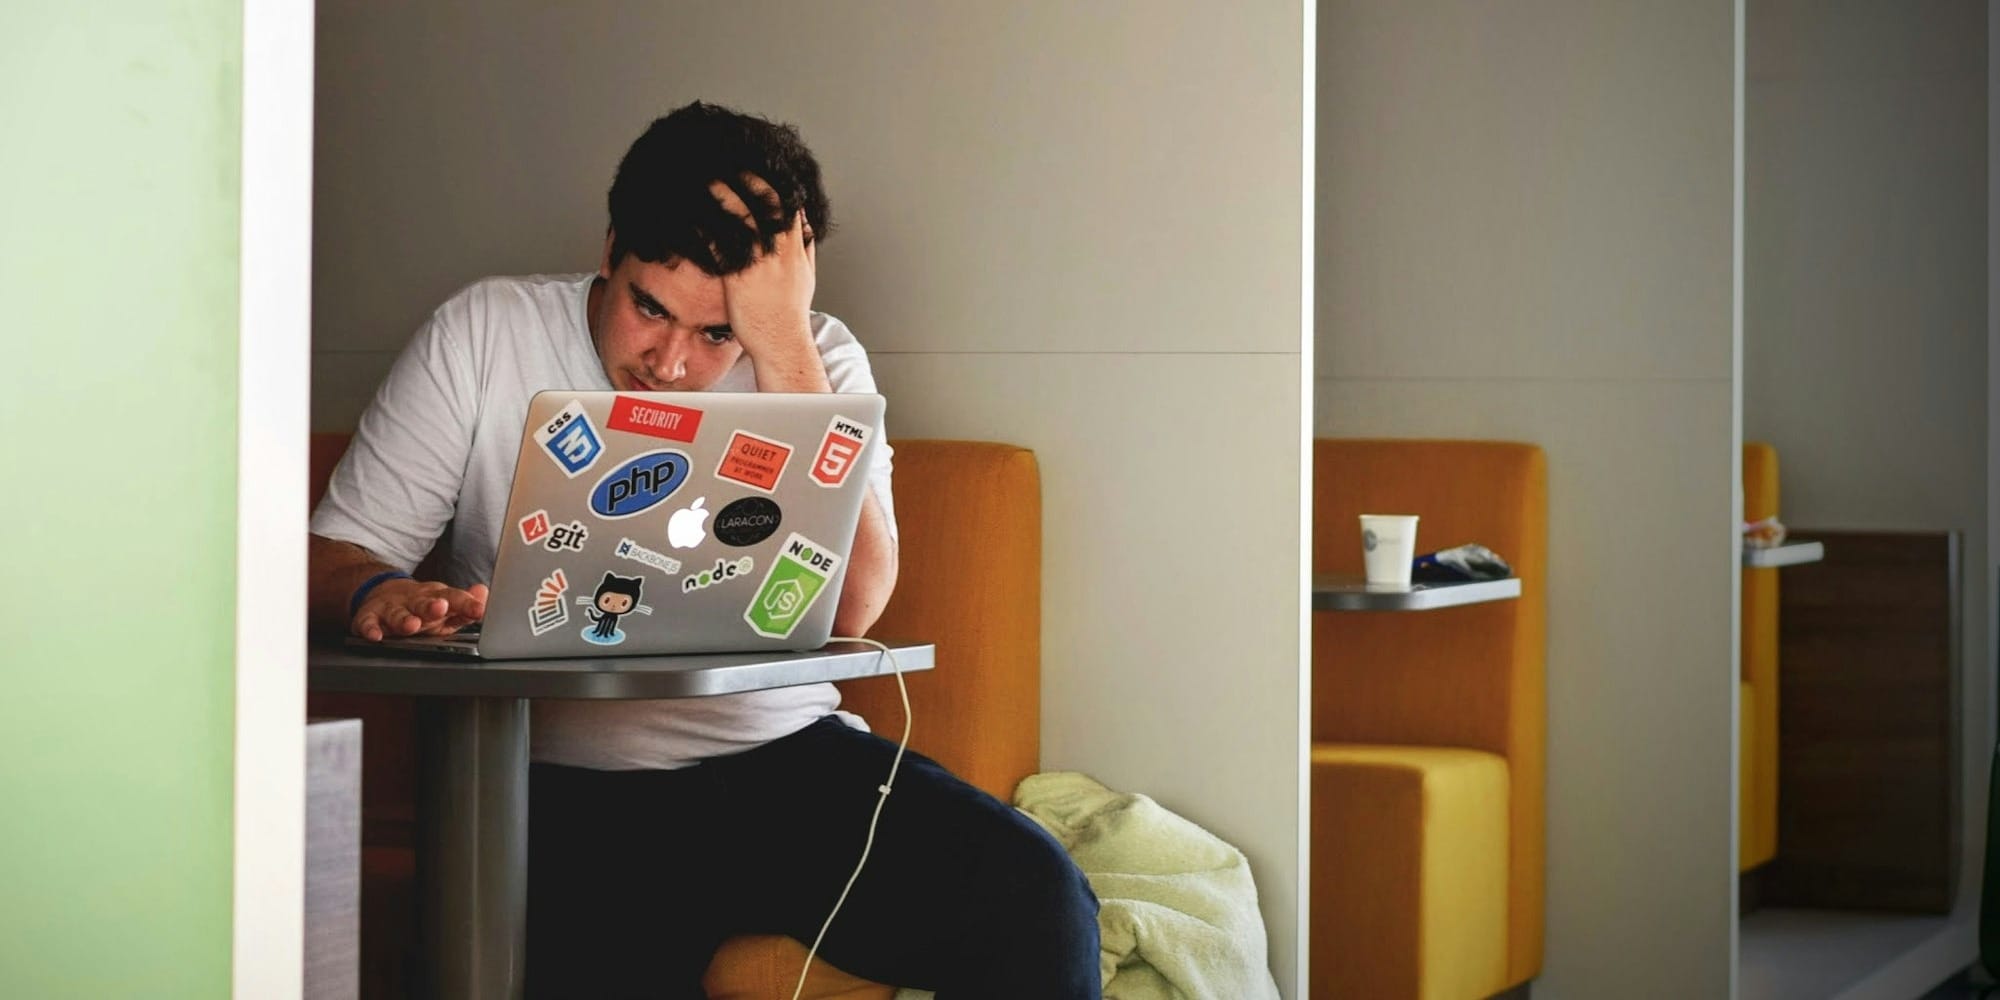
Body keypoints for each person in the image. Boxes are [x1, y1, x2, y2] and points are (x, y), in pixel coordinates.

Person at [307, 101, 1101, 998]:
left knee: (1038, 898)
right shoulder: (484, 332)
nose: (670, 363)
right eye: (649, 308)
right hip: (560, 785)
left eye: (717, 332)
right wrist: (376, 591)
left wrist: (782, 346)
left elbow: (855, 605)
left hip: (784, 762)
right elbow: (332, 555)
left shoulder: (816, 359)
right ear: (611, 249)